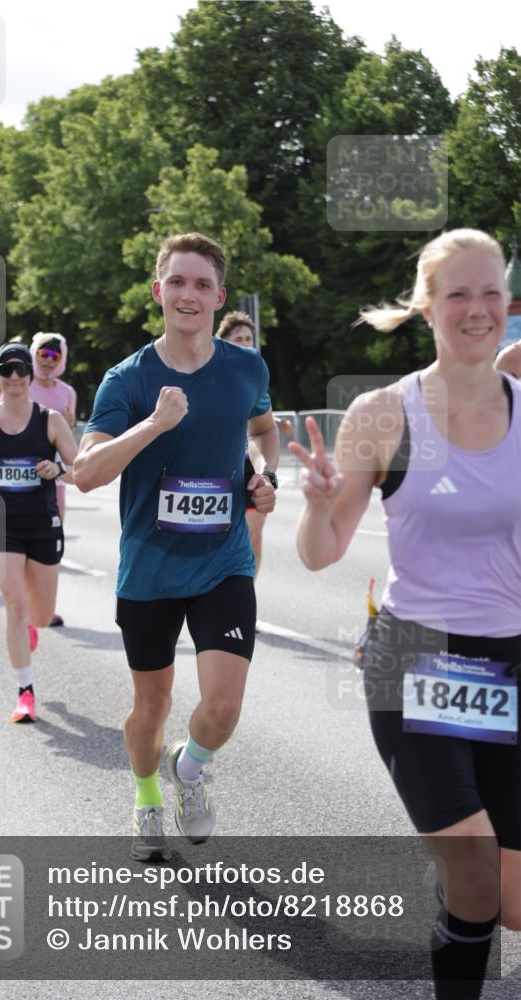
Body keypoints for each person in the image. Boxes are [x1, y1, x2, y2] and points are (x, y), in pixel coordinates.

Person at [289, 229, 520, 999]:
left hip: (509, 661)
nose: (476, 309)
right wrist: (316, 504)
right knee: (475, 871)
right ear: (426, 307)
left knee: (508, 901)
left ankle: (457, 881)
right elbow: (320, 553)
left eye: (490, 292)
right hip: (415, 659)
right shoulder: (383, 415)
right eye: (457, 294)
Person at [74, 233, 279, 860]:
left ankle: (189, 768)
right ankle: (146, 799)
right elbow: (85, 473)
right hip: (150, 569)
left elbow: (261, 429)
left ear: (219, 296)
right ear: (158, 290)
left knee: (222, 707)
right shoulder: (127, 379)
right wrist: (154, 424)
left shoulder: (246, 367)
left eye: (202, 284)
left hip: (223, 561)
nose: (189, 295)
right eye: (178, 282)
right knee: (152, 705)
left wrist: (264, 475)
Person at [0, 342, 77, 724]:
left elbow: (81, 469)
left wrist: (59, 471)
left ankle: (31, 628)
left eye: (21, 369)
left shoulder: (50, 420)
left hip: (41, 522)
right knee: (15, 604)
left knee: (41, 614)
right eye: (6, 369)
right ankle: (25, 693)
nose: (14, 377)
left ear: (30, 374)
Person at [216, 311, 280, 579]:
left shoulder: (254, 375)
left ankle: (247, 589)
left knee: (254, 534)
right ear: (224, 341)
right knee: (222, 536)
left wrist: (266, 472)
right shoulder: (208, 372)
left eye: (248, 338)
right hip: (217, 467)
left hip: (249, 465)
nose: (245, 343)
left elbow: (262, 422)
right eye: (238, 338)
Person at [28, 332, 78, 627]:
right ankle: (26, 602)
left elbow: (67, 435)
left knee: (52, 537)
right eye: (43, 355)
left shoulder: (67, 392)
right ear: (34, 355)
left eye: (54, 356)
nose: (48, 361)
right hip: (24, 473)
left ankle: (47, 606)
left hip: (55, 474)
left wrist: (69, 425)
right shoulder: (22, 384)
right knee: (25, 538)